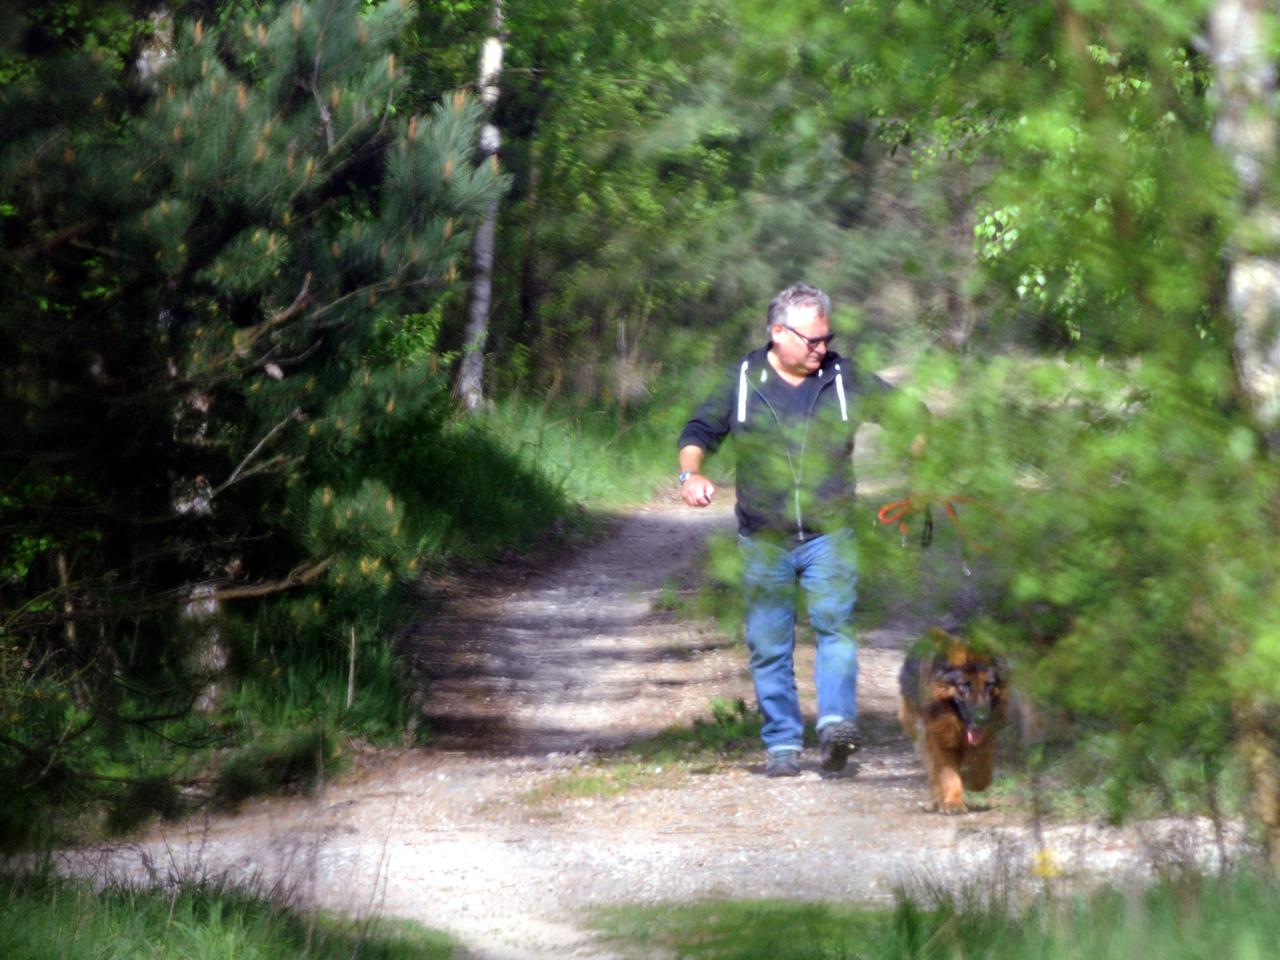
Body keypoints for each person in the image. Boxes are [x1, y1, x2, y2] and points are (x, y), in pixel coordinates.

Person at [677, 282, 897, 777]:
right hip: (764, 540)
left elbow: (906, 416)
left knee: (835, 628)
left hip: (830, 534)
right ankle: (782, 744)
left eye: (826, 338)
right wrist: (691, 474)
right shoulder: (744, 378)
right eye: (812, 340)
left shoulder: (843, 377)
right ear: (778, 332)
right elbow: (698, 432)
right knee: (768, 643)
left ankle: (837, 725)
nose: (822, 349)